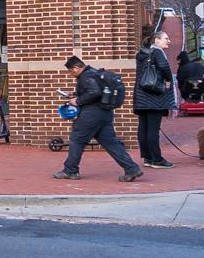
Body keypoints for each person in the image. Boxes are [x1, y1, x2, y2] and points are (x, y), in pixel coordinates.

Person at [55, 54, 143, 182]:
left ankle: (70, 171)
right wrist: (74, 93)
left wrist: (77, 101)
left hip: (91, 114)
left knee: (77, 140)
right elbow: (95, 90)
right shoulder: (94, 73)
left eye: (70, 71)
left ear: (76, 67)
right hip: (105, 113)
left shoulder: (85, 76)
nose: (70, 74)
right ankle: (132, 169)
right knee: (111, 143)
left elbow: (94, 92)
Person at [134, 26, 175, 169]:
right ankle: (157, 159)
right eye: (166, 38)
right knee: (153, 129)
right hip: (154, 94)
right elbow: (164, 67)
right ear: (156, 40)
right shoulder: (157, 52)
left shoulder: (142, 53)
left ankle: (147, 158)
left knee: (143, 128)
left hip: (141, 95)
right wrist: (169, 80)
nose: (168, 41)